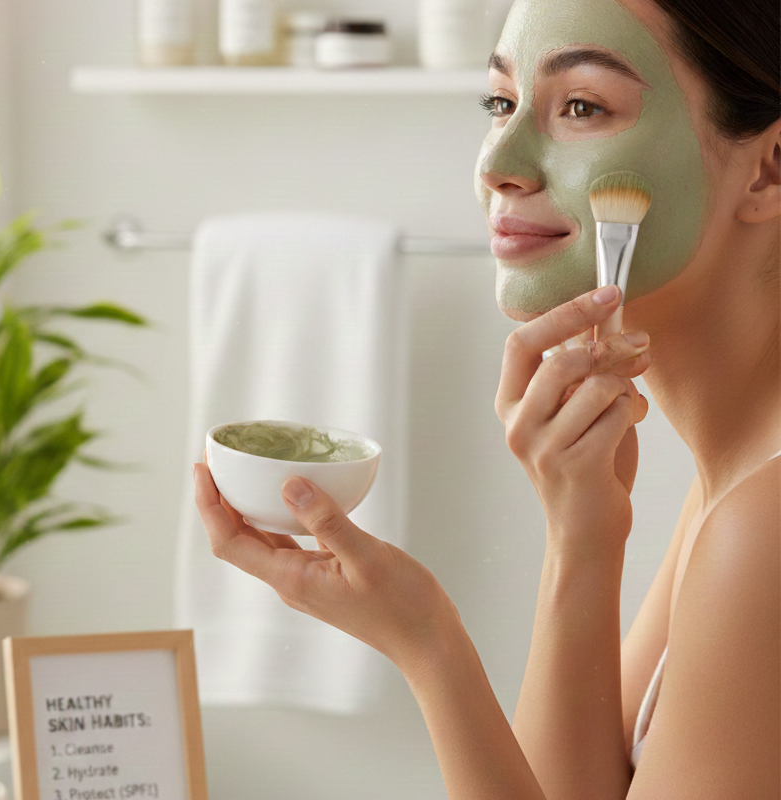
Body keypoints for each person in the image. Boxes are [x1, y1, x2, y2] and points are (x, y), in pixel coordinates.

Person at [193, 0, 780, 795]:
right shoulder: (737, 482)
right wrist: (582, 533)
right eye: (500, 103)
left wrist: (428, 644)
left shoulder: (762, 530)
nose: (500, 161)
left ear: (769, 170)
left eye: (581, 106)